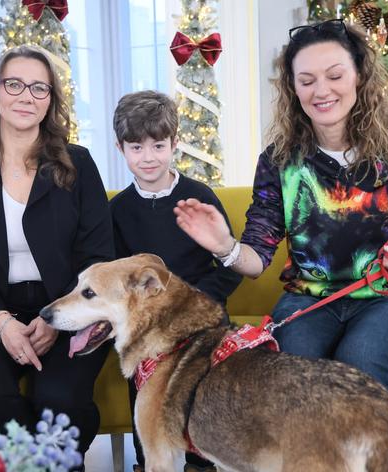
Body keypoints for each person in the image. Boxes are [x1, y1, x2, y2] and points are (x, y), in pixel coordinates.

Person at [174, 19, 388, 402]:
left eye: (335, 75)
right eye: (307, 80)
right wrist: (224, 246)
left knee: (361, 358)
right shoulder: (279, 161)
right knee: (287, 367)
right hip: (309, 299)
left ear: (359, 75)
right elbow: (256, 259)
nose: (322, 90)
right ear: (292, 88)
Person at [0, 45, 114, 458]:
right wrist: (1, 323)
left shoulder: (78, 164)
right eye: (14, 84)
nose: (26, 96)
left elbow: (97, 254)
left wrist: (59, 317)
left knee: (60, 400)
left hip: (71, 305)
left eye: (39, 88)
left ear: (50, 100)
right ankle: (45, 463)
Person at [109, 90, 242, 472]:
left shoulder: (198, 197)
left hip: (200, 316)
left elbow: (230, 264)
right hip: (147, 325)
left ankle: (202, 463)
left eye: (158, 146)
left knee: (202, 390)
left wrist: (198, 298)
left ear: (175, 144)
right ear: (120, 149)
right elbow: (116, 279)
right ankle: (148, 460)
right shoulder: (117, 210)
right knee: (140, 370)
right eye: (136, 147)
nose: (148, 157)